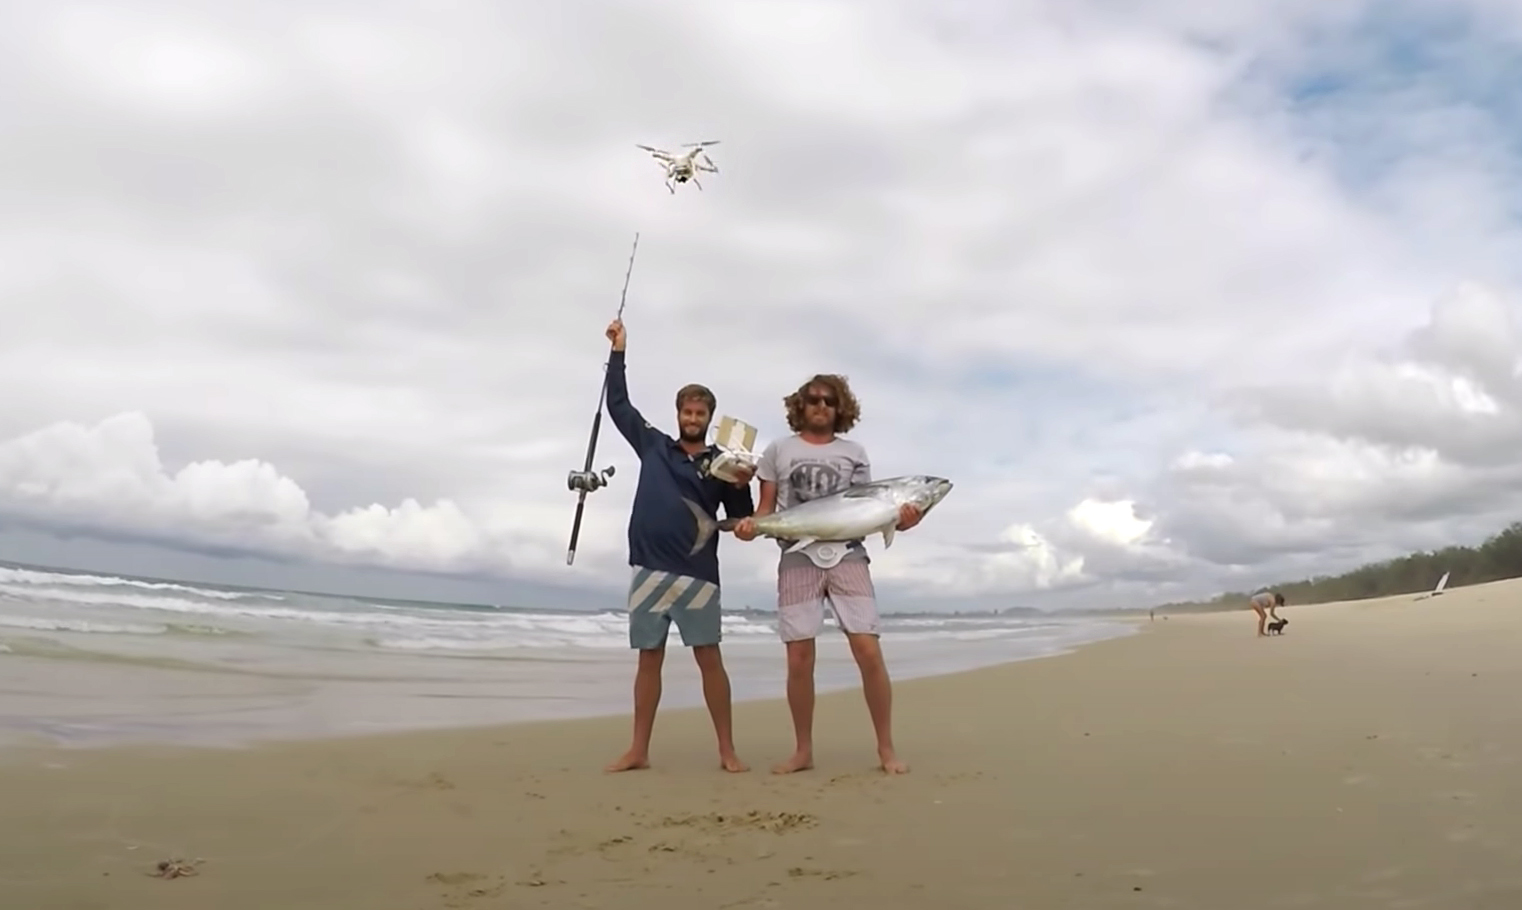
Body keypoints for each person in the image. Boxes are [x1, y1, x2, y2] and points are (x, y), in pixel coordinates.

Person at [732, 373, 922, 775]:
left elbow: (869, 512)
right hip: (797, 555)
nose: (821, 406)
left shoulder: (854, 452)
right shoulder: (777, 450)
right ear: (800, 405)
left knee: (868, 651)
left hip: (848, 555)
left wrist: (901, 521)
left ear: (840, 409)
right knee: (799, 657)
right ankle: (803, 751)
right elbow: (767, 510)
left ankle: (886, 749)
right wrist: (751, 528)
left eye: (829, 401)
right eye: (813, 399)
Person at [601, 318, 755, 773]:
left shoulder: (722, 463)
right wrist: (618, 352)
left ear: (709, 419)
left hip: (699, 575)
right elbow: (618, 404)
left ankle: (727, 750)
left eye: (700, 414)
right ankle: (638, 750)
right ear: (678, 414)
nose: (693, 419)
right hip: (647, 569)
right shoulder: (653, 445)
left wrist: (743, 483)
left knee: (710, 659)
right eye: (687, 412)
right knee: (649, 660)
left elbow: (740, 516)